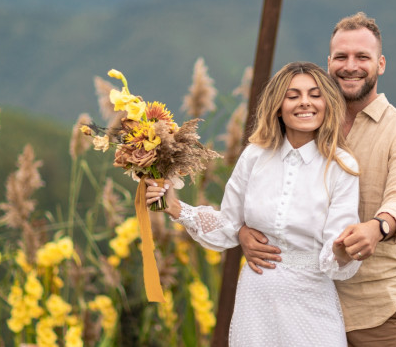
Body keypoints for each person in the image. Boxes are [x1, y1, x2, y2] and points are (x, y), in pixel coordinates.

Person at [238, 12, 396, 347]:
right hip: (302, 310)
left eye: (362, 57)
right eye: (341, 57)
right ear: (329, 63)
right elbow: (262, 194)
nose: (350, 65)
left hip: (374, 311)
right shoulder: (304, 124)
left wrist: (378, 226)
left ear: (380, 64)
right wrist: (242, 231)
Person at [146, 61, 362, 346]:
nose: (305, 103)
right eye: (293, 95)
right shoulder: (255, 157)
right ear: (278, 106)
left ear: (327, 103)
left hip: (311, 301)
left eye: (315, 94)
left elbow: (336, 251)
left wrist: (344, 251)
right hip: (256, 298)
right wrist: (175, 207)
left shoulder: (341, 165)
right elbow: (228, 224)